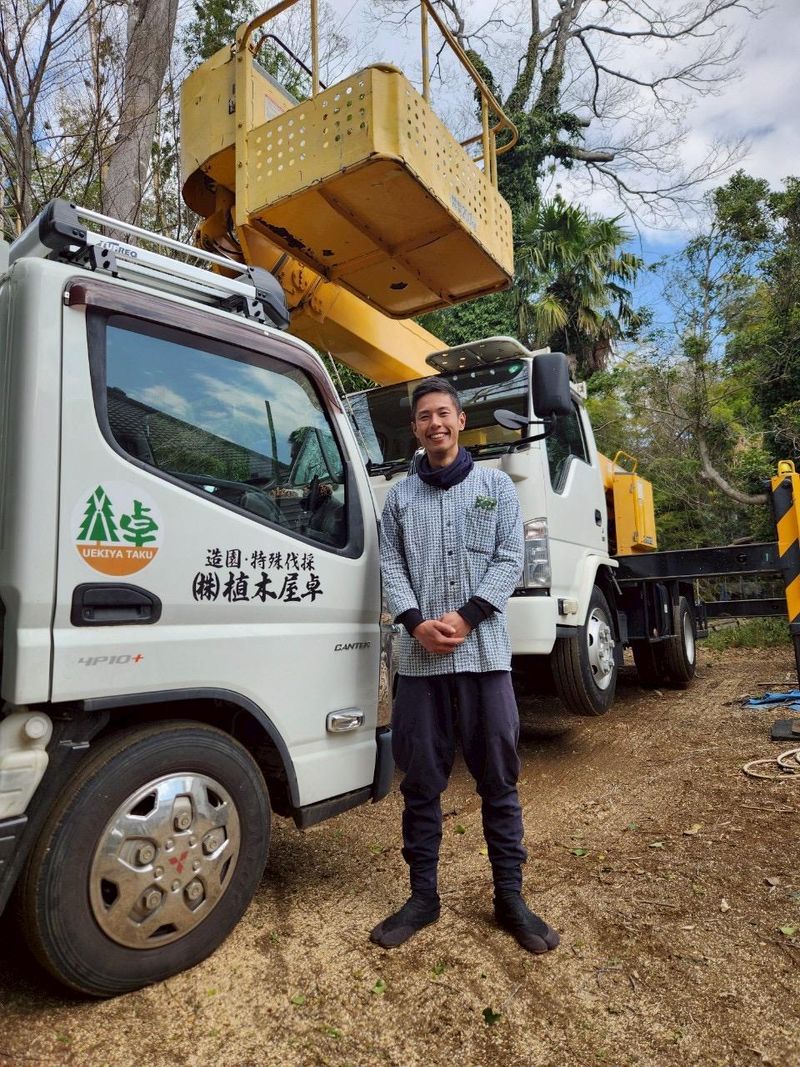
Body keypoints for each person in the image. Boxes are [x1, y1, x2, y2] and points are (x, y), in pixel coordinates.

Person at [371, 377, 560, 955]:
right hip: (419, 663)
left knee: (499, 780)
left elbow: (510, 557)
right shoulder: (399, 498)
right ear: (415, 429)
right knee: (420, 783)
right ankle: (422, 897)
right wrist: (414, 622)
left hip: (484, 658)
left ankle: (510, 897)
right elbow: (390, 565)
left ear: (459, 420)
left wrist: (468, 616)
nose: (435, 424)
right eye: (424, 416)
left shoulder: (496, 487)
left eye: (443, 413)